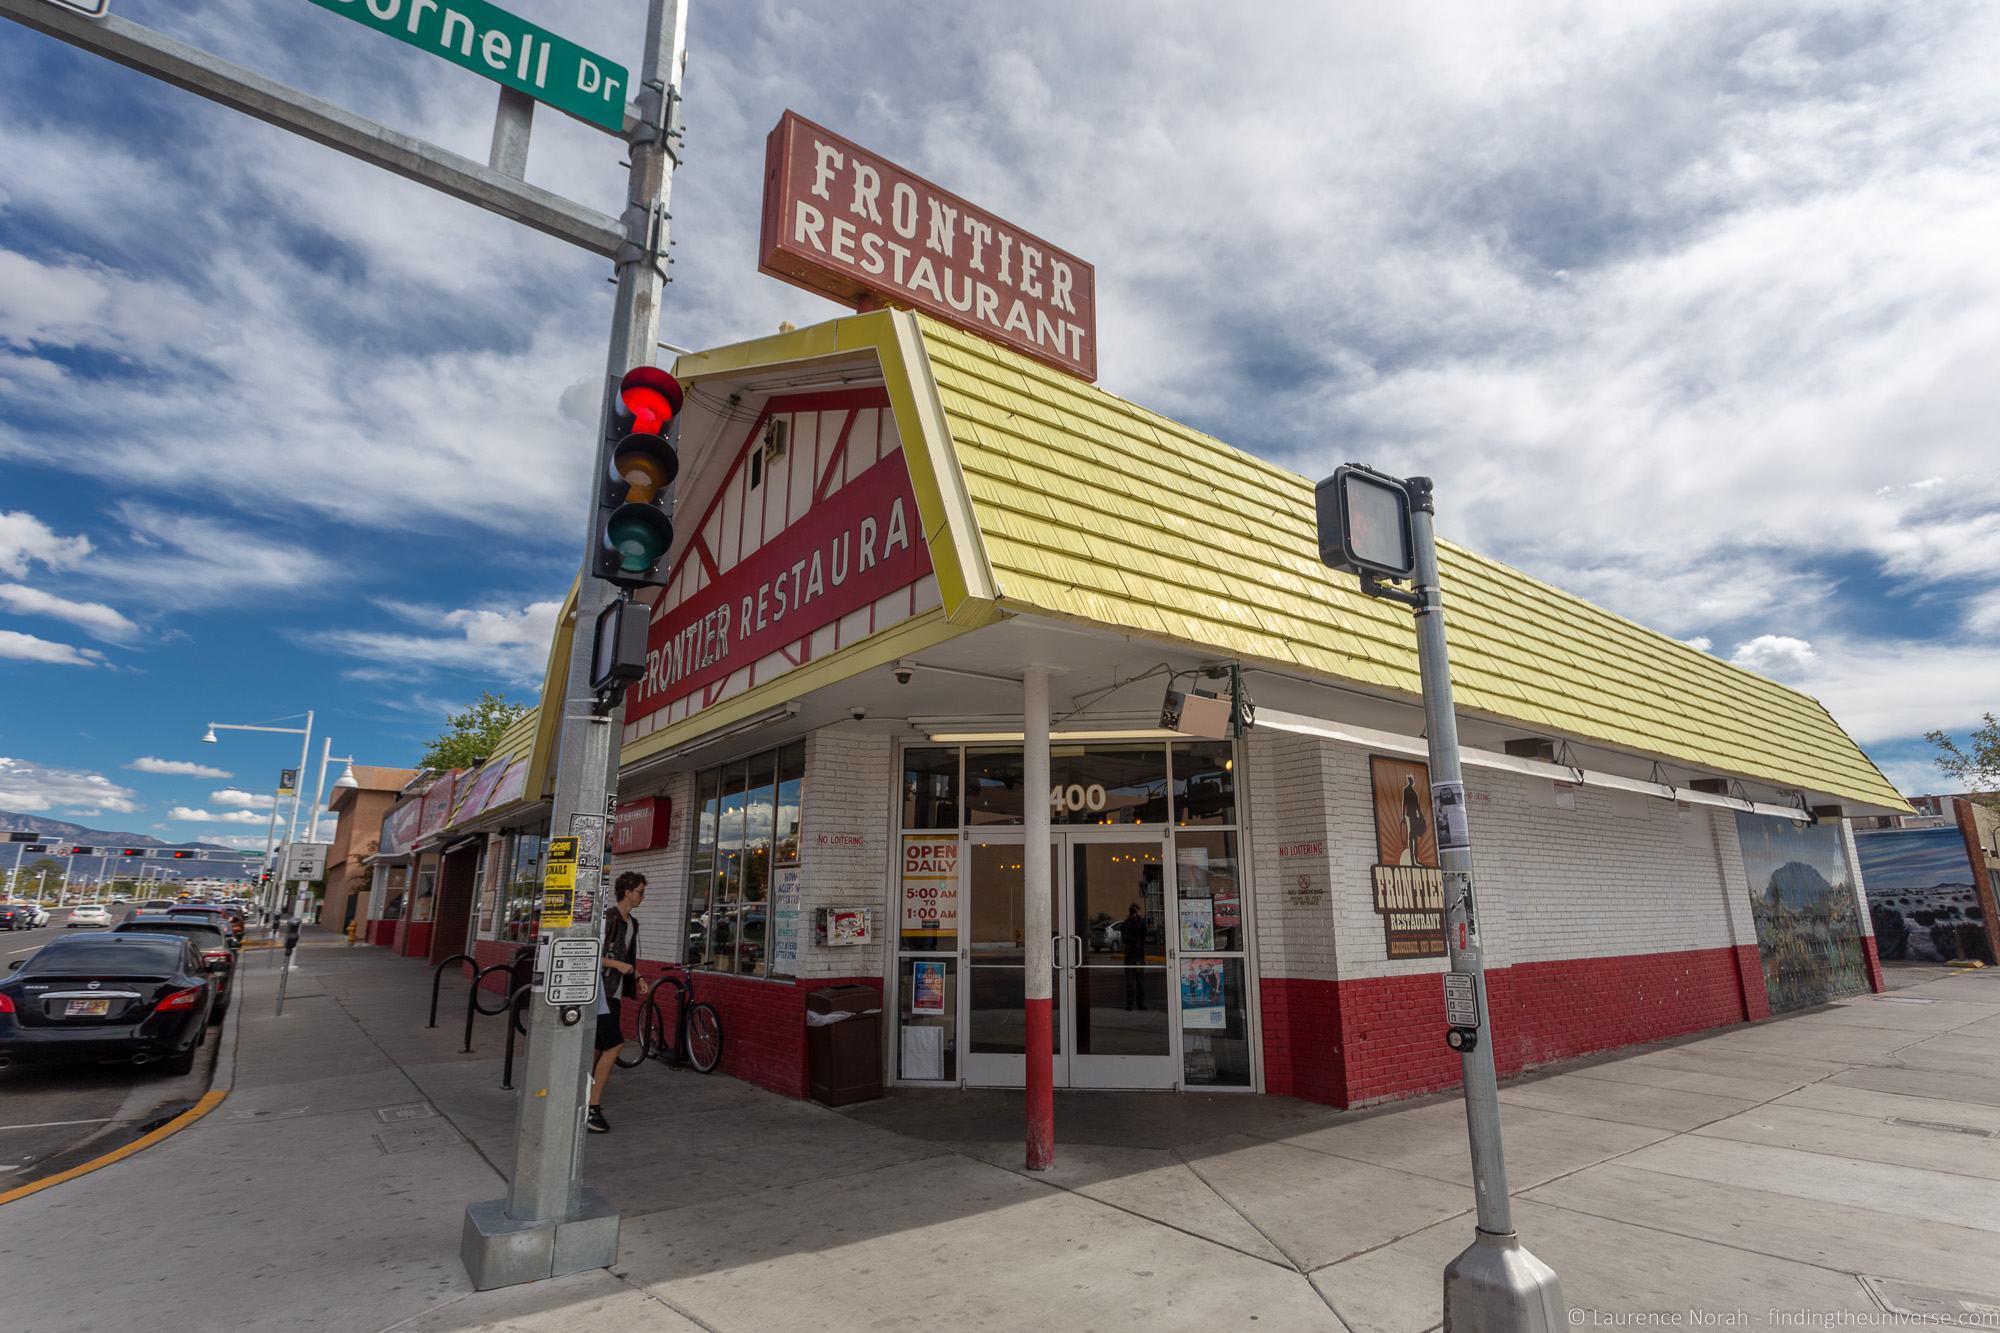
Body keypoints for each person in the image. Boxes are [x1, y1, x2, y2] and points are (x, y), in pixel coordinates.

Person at [588, 872, 649, 1133]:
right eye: (640, 892)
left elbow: (628, 958)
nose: (642, 897)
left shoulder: (632, 923)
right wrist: (618, 965)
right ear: (627, 892)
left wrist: (638, 976)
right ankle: (592, 1108)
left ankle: (579, 1096)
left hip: (613, 992)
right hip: (599, 990)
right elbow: (590, 953)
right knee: (614, 1044)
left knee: (599, 1047)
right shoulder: (609, 919)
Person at [1122, 901, 1148, 1010]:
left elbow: (1145, 932)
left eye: (1136, 912)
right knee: (1130, 982)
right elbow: (1125, 938)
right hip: (1130, 956)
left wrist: (1140, 918)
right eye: (1133, 912)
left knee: (1140, 981)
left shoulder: (1141, 923)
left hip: (1139, 956)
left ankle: (1140, 1003)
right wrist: (1132, 921)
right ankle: (1130, 1004)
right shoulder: (1126, 923)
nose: (1134, 914)